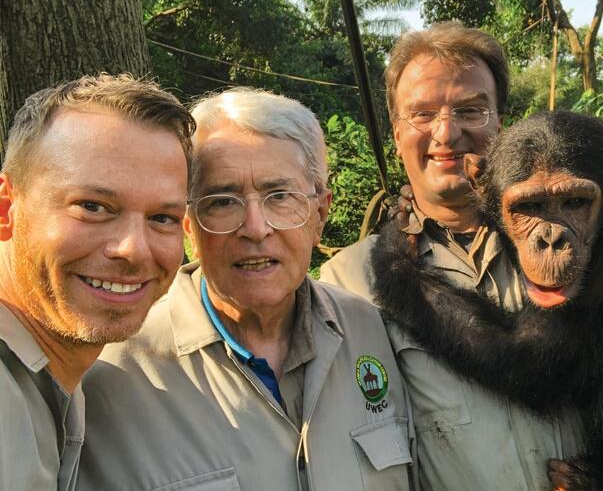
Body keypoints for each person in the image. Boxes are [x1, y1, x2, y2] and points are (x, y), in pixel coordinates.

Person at [319, 22, 603, 490]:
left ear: (501, 125)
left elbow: (529, 366)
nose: (446, 132)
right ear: (396, 134)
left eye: (471, 109)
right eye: (421, 114)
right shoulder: (344, 279)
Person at [79, 87, 416, 491]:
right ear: (189, 222)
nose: (255, 228)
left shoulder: (369, 330)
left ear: (320, 214)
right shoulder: (114, 371)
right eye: (223, 201)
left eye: (279, 197)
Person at [0, 74, 193, 491]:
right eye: (92, 206)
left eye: (162, 218)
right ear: (6, 209)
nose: (134, 249)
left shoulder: (58, 381)